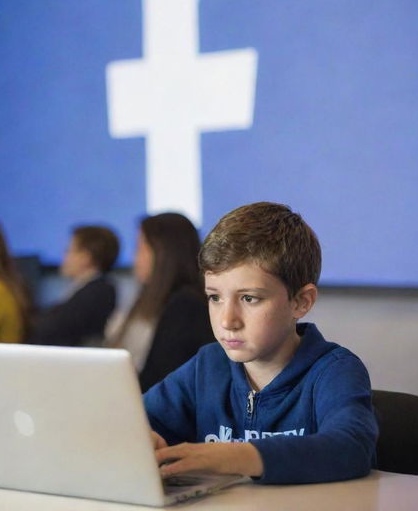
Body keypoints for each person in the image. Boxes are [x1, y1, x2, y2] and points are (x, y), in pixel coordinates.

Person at [144, 202, 378, 484]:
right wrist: (142, 437)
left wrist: (235, 457)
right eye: (214, 297)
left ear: (301, 302)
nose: (227, 320)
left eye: (249, 298)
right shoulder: (207, 366)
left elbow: (351, 447)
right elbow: (138, 419)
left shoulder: (334, 371)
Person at [107, 213, 214, 392]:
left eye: (140, 248)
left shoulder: (185, 306)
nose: (135, 259)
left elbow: (161, 379)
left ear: (164, 252)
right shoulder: (149, 299)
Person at [30, 225, 119, 346]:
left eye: (69, 250)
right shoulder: (87, 289)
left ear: (85, 257)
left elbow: (55, 329)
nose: (64, 257)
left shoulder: (97, 292)